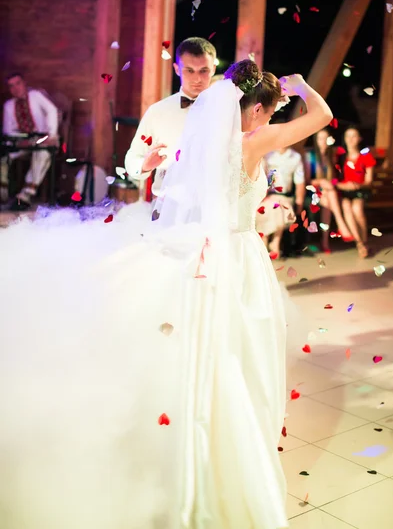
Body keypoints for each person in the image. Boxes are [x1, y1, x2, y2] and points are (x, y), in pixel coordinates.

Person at [0, 62, 332, 529]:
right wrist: (302, 87)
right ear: (255, 110)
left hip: (200, 253)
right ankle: (233, 446)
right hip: (237, 256)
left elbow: (169, 186)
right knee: (240, 355)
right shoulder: (253, 141)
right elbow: (321, 116)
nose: (270, 120)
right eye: (269, 111)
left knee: (208, 354)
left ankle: (200, 443)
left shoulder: (200, 143)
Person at [124, 37, 217, 198]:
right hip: (164, 205)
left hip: (210, 206)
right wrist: (145, 166)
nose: (197, 79)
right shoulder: (158, 112)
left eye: (203, 70)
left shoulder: (225, 111)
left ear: (213, 69)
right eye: (189, 70)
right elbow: (133, 157)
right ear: (176, 69)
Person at [1, 72, 59, 209]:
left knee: (42, 154)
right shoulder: (9, 105)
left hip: (44, 138)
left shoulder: (36, 96)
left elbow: (52, 110)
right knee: (4, 158)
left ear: (24, 83)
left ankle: (26, 194)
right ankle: (2, 194)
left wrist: (52, 135)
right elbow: (8, 130)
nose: (16, 88)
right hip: (24, 142)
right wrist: (19, 141)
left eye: (18, 84)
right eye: (11, 86)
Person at [305, 128, 353, 252]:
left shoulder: (331, 156)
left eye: (326, 138)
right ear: (316, 140)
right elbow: (308, 181)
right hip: (313, 192)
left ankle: (325, 241)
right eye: (320, 138)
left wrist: (328, 184)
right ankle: (339, 226)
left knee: (327, 202)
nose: (323, 142)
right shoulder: (310, 156)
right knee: (329, 195)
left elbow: (334, 179)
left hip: (327, 193)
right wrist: (321, 182)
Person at [256, 147, 304, 257]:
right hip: (268, 195)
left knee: (279, 207)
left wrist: (299, 203)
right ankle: (270, 241)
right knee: (266, 208)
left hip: (285, 196)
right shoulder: (267, 155)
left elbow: (299, 181)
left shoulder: (295, 157)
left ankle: (272, 241)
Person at [336, 126, 376, 258]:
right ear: (345, 139)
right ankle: (360, 243)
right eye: (348, 136)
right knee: (346, 206)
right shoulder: (340, 157)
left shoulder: (366, 156)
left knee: (357, 208)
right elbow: (334, 180)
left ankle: (363, 242)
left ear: (359, 139)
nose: (350, 139)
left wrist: (356, 185)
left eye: (354, 136)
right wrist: (344, 186)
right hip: (345, 192)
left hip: (360, 191)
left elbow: (368, 181)